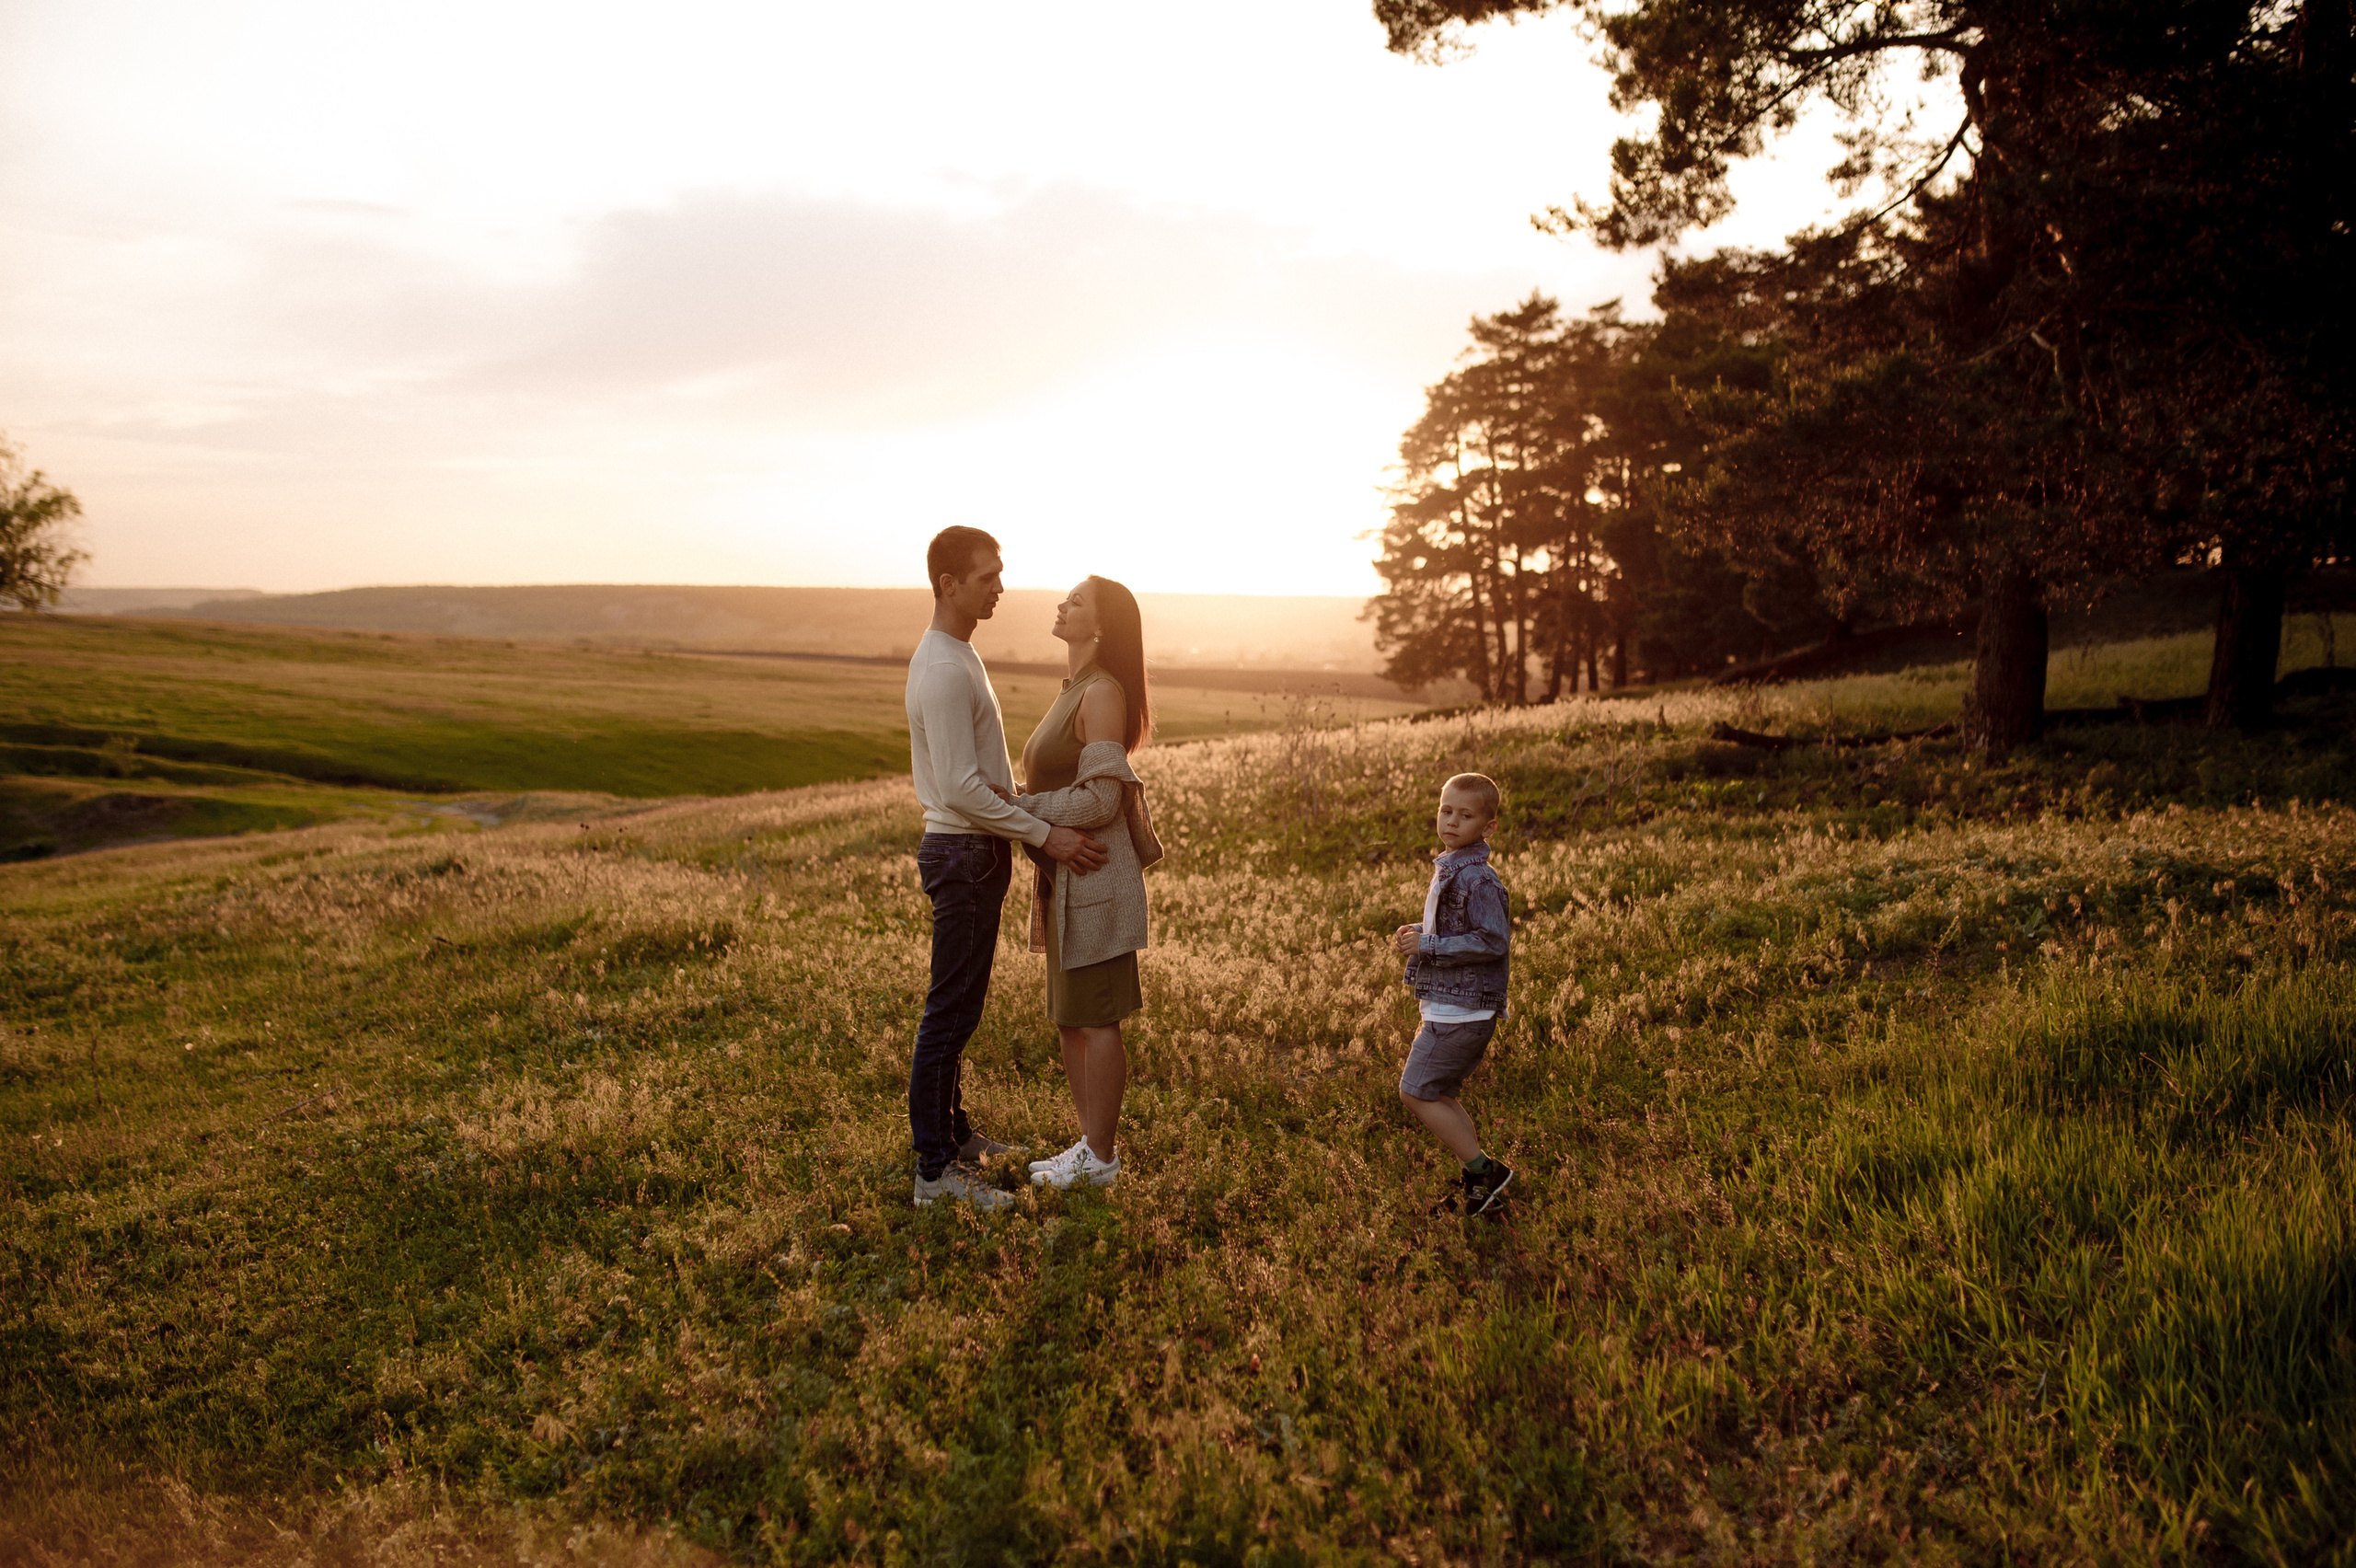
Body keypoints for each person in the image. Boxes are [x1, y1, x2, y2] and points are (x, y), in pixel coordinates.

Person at [905, 526, 1107, 1210]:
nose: (1000, 587)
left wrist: (1018, 807)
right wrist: (1045, 833)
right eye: (987, 576)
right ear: (948, 585)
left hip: (975, 851)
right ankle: (935, 1175)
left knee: (961, 1010)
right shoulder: (942, 666)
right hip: (962, 852)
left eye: (1000, 573)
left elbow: (975, 778)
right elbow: (961, 789)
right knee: (948, 1013)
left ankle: (955, 1136)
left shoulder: (959, 654)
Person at [1003, 576, 1162, 1192]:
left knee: (1097, 1020)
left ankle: (1102, 1156)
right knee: (1071, 1018)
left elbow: (1101, 800)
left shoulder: (1101, 694)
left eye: (1076, 602)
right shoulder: (1071, 689)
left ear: (1100, 625)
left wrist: (1021, 808)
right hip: (1064, 881)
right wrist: (1024, 804)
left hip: (1095, 879)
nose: (1062, 606)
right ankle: (1088, 1145)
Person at [1391, 772, 1514, 1216]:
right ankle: (1479, 1179)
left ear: (1488, 827)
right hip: (1453, 1006)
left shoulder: (1478, 879)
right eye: (1446, 811)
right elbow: (1456, 927)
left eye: (1466, 815)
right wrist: (1420, 930)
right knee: (1440, 1094)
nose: (1452, 822)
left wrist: (1428, 945)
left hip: (1462, 1012)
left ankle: (1484, 1171)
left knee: (1415, 1092)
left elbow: (1492, 941)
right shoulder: (1452, 867)